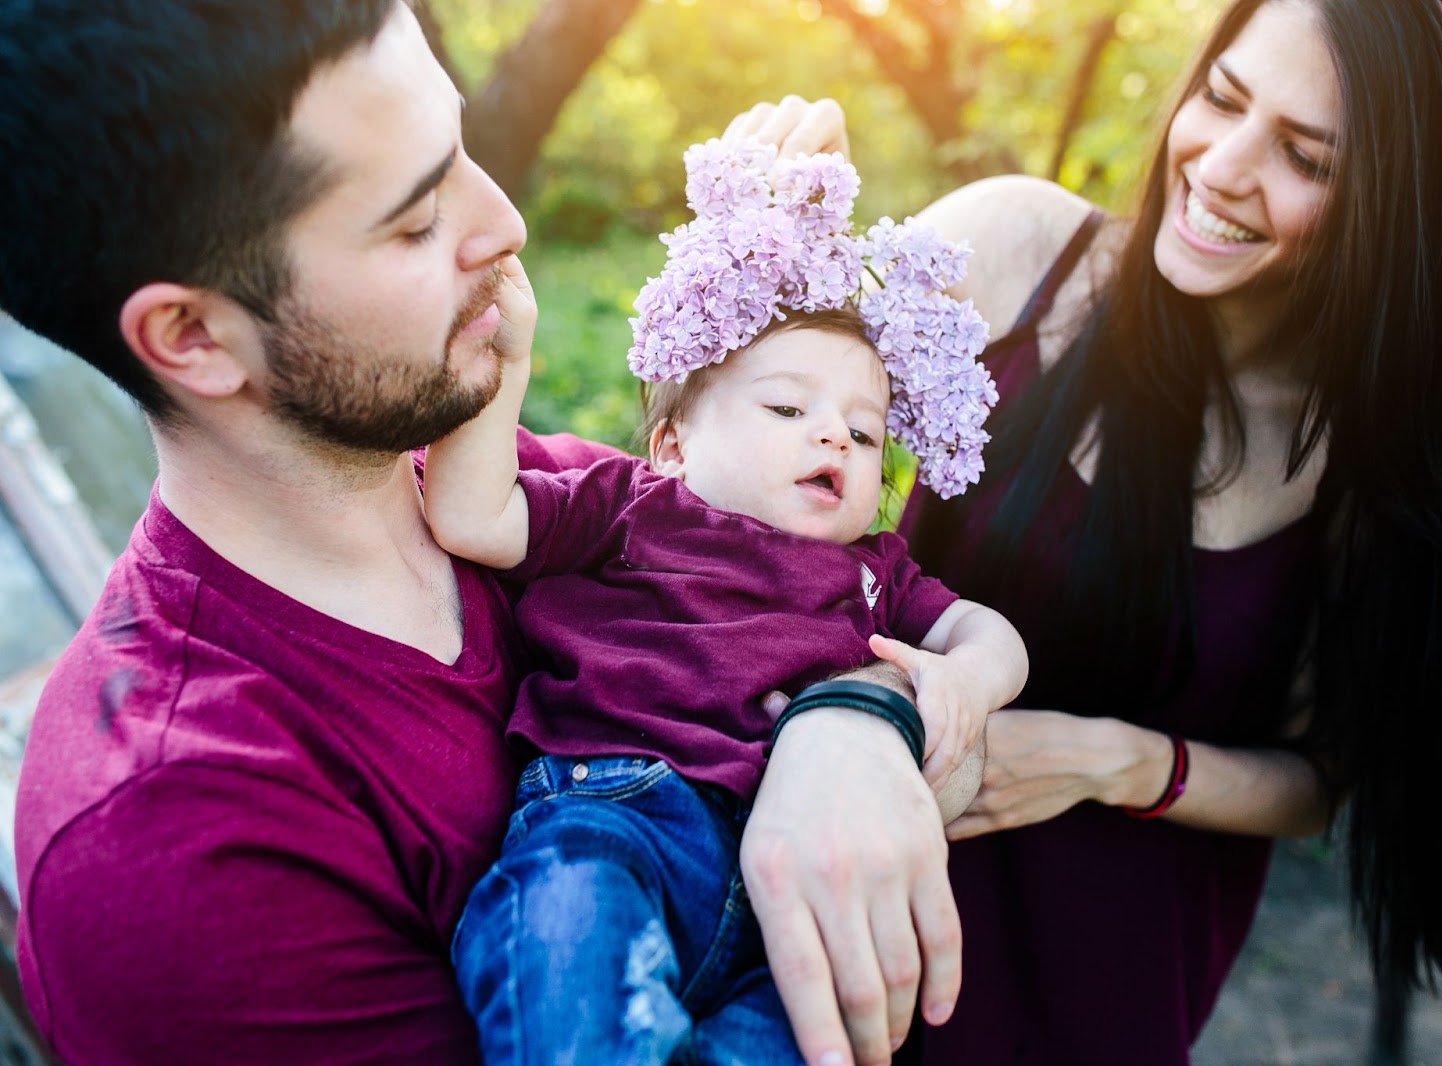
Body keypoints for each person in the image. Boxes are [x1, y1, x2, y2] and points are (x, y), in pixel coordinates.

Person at [0, 5, 967, 1065]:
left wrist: (856, 713)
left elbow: (798, 605)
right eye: (415, 219)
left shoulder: (552, 493)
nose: (504, 222)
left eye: (460, 147)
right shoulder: (177, 846)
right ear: (193, 336)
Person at [738, 0, 1442, 1061]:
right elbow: (742, 482)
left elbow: (1318, 775)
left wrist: (1113, 762)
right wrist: (781, 266)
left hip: (1108, 974)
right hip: (852, 876)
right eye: (1221, 97)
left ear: (1394, 209)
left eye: (1304, 157)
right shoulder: (1015, 255)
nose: (1221, 166)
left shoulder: (1379, 466)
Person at [423, 138, 1026, 1064]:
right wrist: (502, 362)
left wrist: (969, 680)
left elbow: (989, 634)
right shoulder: (638, 506)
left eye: (864, 434)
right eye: (788, 411)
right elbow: (472, 516)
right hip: (616, 817)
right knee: (572, 972)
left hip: (787, 878)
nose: (832, 431)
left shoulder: (877, 573)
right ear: (671, 444)